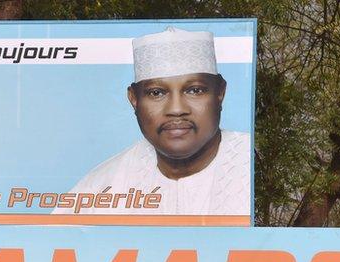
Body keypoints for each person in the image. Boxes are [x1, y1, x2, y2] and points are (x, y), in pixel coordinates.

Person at [55, 27, 251, 216]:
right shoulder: (101, 187)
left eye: (195, 90)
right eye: (156, 93)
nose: (176, 109)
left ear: (220, 92)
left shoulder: (254, 165)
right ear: (134, 99)